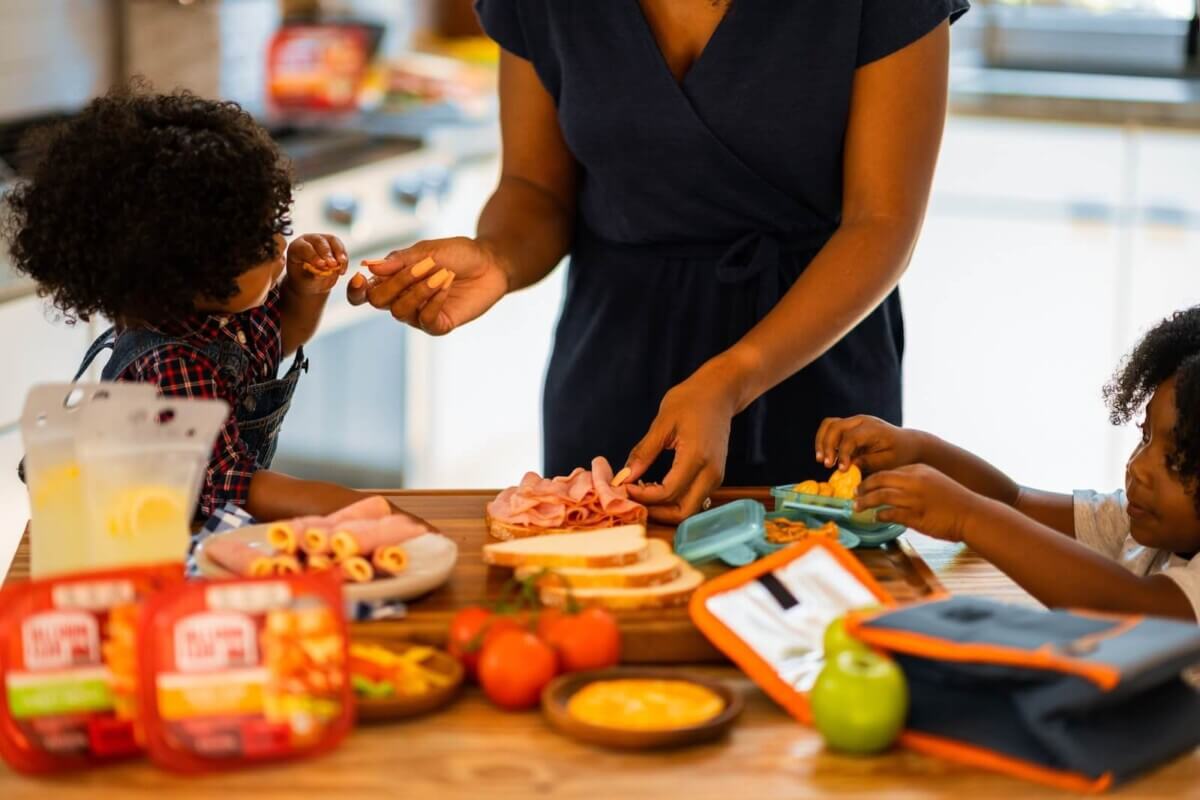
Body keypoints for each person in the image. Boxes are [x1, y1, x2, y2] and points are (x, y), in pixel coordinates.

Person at [349, 0, 970, 523]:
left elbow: (882, 222)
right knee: (602, 607)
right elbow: (535, 188)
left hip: (813, 363)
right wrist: (497, 257)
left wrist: (730, 380)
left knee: (816, 626)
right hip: (614, 360)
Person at [3, 87, 409, 523]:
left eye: (273, 224)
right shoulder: (172, 359)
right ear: (183, 273)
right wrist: (364, 511)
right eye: (255, 248)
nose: (278, 246)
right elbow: (232, 485)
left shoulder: (217, 309)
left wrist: (304, 289)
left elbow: (280, 337)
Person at [817, 307, 1200, 620]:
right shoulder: (1137, 525)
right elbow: (1016, 502)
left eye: (1174, 459)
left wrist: (967, 516)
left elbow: (1131, 611)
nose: (1138, 467)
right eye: (1144, 436)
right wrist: (918, 449)